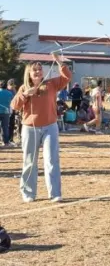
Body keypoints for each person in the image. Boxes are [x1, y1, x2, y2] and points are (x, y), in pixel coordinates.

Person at [12, 57, 72, 203]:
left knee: (51, 160)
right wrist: (26, 94)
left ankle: (55, 193)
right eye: (35, 70)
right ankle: (28, 193)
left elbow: (67, 77)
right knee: (29, 161)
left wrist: (59, 62)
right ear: (29, 73)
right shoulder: (23, 88)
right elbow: (14, 106)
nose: (38, 72)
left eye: (40, 69)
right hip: (29, 129)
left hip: (50, 127)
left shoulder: (51, 84)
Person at [0, 79, 13, 147]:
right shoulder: (10, 93)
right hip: (6, 112)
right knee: (5, 127)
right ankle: (6, 142)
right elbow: (12, 102)